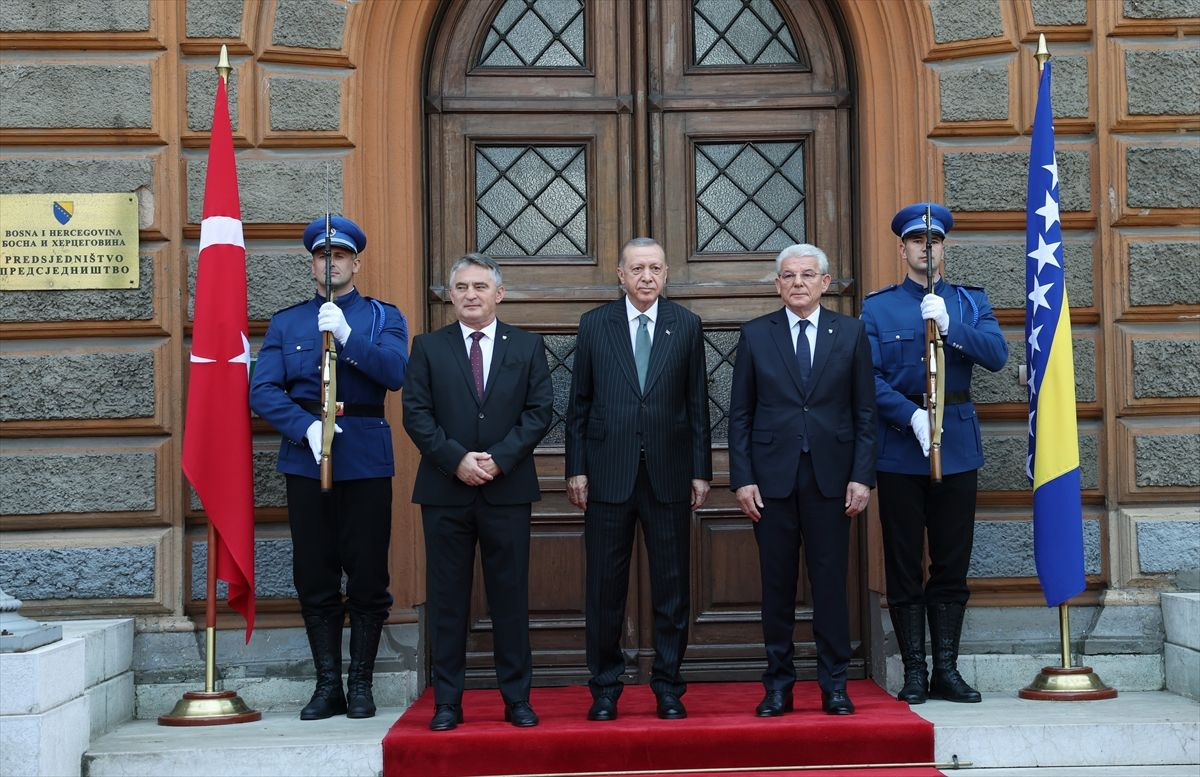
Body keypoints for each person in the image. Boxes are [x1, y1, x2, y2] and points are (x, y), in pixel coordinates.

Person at [249, 215, 409, 720]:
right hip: (306, 456)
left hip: (363, 456)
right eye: (322, 256)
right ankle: (327, 686)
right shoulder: (288, 322)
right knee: (314, 573)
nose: (331, 263)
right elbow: (262, 390)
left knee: (366, 573)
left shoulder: (383, 317)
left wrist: (347, 337)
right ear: (312, 264)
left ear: (356, 262)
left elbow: (394, 373)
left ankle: (360, 684)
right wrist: (305, 427)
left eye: (340, 255)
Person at [860, 203, 1007, 704]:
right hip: (902, 448)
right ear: (902, 247)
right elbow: (868, 379)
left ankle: (947, 668)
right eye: (917, 240)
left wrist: (951, 327)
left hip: (959, 447)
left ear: (945, 247)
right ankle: (915, 673)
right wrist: (911, 416)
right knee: (903, 564)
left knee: (951, 563)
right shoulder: (878, 308)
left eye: (935, 240)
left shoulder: (968, 303)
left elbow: (996, 356)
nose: (927, 247)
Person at [402, 253, 553, 732]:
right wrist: (457, 460)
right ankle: (448, 701)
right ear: (451, 295)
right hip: (446, 492)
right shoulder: (428, 347)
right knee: (448, 601)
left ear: (499, 294)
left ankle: (516, 699)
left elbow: (539, 411)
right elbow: (416, 413)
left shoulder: (527, 346)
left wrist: (499, 459)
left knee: (510, 599)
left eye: (480, 286)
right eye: (462, 287)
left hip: (507, 492)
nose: (471, 294)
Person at [565, 237, 712, 722]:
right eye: (637, 269)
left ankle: (668, 686)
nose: (646, 277)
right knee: (605, 590)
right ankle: (605, 687)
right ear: (620, 274)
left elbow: (697, 406)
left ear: (666, 274)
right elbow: (579, 406)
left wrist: (701, 471)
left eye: (654, 268)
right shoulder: (594, 325)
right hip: (608, 475)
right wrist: (576, 468)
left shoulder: (686, 326)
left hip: (669, 476)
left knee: (672, 590)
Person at [728, 243, 876, 717]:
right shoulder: (755, 335)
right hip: (771, 483)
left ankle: (835, 685)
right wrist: (742, 479)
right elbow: (740, 416)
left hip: (833, 480)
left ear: (824, 283)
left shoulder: (851, 334)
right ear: (777, 284)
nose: (798, 283)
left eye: (807, 275)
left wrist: (862, 477)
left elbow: (865, 413)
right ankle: (778, 685)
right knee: (776, 587)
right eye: (788, 276)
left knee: (831, 585)